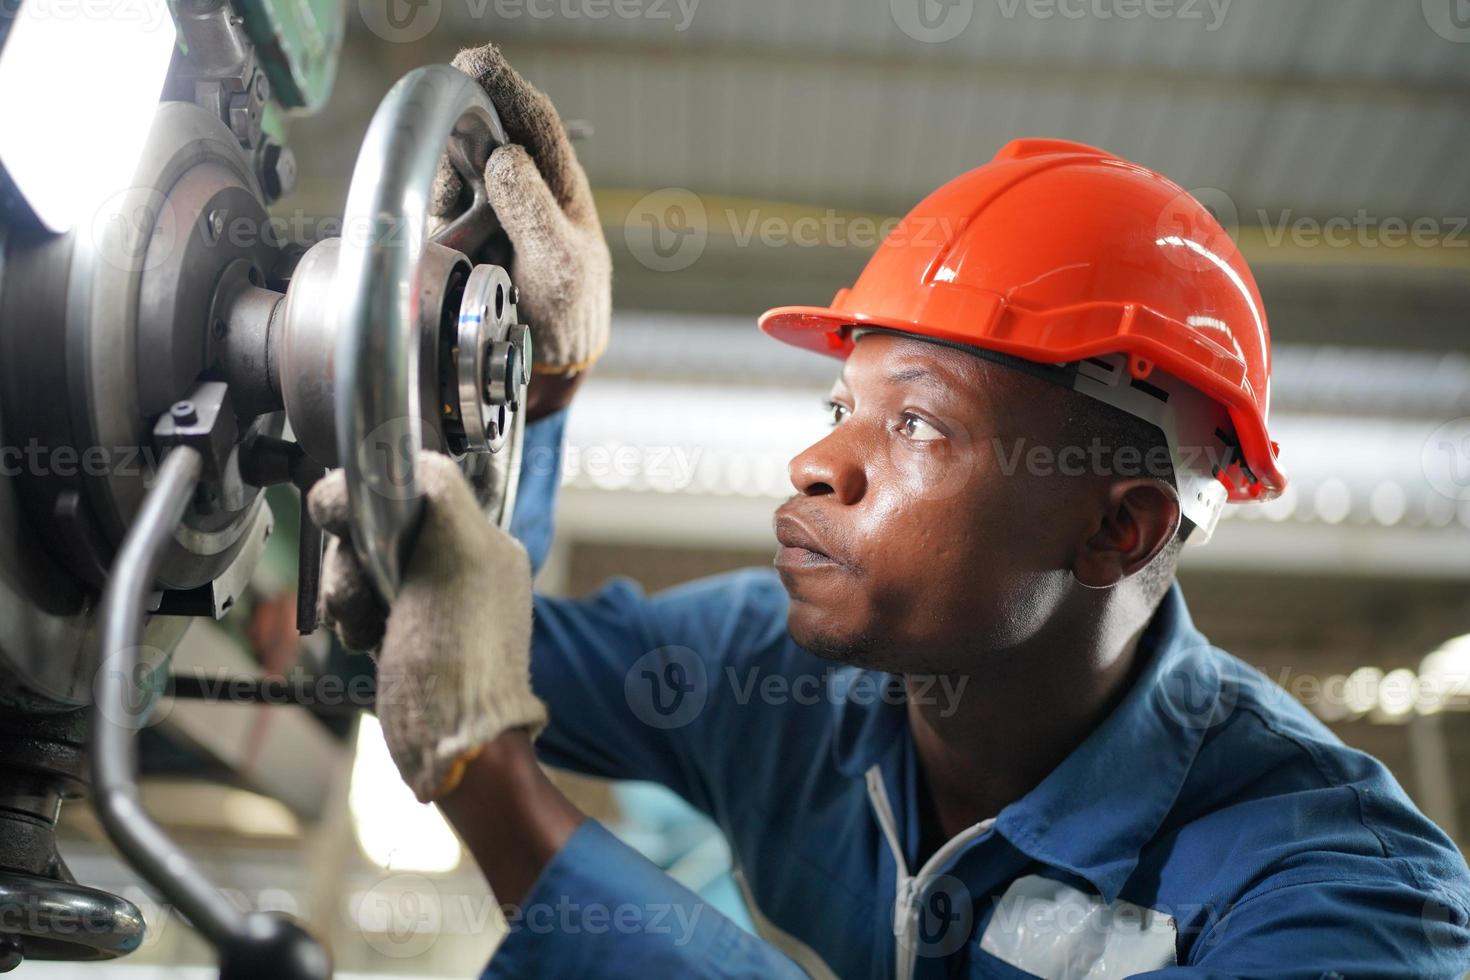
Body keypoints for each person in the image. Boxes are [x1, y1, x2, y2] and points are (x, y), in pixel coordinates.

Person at [308, 43, 1470, 979]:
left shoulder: (1347, 896)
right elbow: (470, 638)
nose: (818, 460)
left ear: (1122, 527)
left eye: (916, 423)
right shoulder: (782, 674)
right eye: (837, 403)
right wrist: (538, 391)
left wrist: (492, 788)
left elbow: (477, 704)